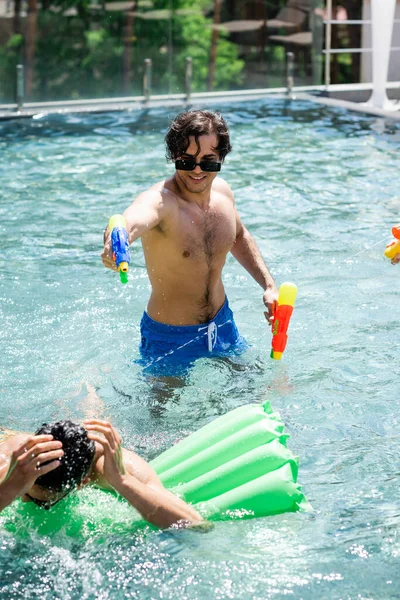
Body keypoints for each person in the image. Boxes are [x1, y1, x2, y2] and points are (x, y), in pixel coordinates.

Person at [102, 110, 278, 370]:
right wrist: (116, 241)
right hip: (170, 338)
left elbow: (238, 236)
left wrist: (268, 285)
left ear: (221, 158)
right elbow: (131, 220)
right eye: (187, 161)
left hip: (223, 325)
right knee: (162, 411)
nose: (197, 170)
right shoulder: (162, 201)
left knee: (255, 392)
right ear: (174, 156)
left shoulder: (223, 194)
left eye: (208, 161)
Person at [0, 419, 203, 529]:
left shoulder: (106, 465)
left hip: (89, 456)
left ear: (82, 483)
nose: (24, 500)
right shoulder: (9, 459)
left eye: (39, 501)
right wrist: (9, 489)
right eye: (24, 489)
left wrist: (122, 481)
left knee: (94, 414)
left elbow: (196, 524)